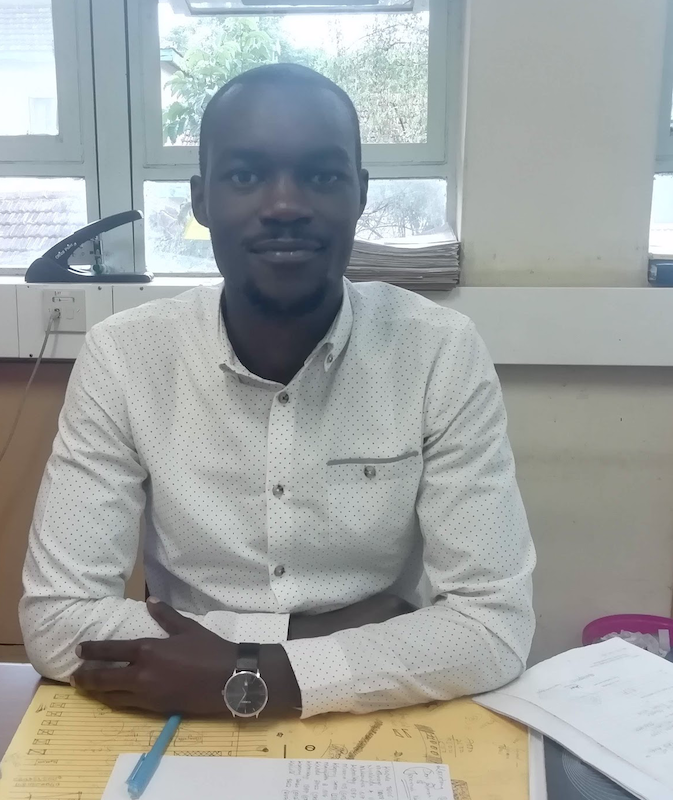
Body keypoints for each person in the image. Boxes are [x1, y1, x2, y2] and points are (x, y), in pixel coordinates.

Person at [20, 64, 535, 720]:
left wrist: (253, 674)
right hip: (181, 703)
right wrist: (324, 635)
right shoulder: (126, 356)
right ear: (202, 200)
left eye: (321, 176)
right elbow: (57, 621)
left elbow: (494, 625)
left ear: (360, 194)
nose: (285, 205)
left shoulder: (436, 352)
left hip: (359, 715)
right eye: (245, 176)